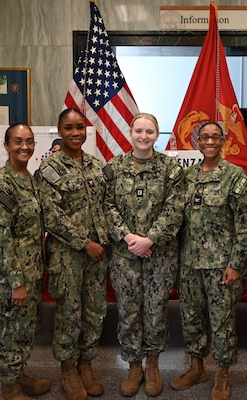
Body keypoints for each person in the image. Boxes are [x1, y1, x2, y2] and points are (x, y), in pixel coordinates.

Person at [170, 121, 247, 400]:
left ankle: (222, 373)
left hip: (221, 265)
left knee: (221, 321)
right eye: (204, 137)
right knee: (191, 318)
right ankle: (196, 367)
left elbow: (246, 225)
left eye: (214, 137)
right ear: (196, 140)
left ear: (223, 140)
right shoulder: (187, 176)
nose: (209, 142)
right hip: (189, 263)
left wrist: (235, 264)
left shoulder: (234, 176)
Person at [103, 112, 184, 397]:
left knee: (156, 310)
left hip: (159, 254)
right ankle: (133, 364)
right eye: (139, 130)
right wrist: (129, 238)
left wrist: (149, 239)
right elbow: (107, 207)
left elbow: (175, 209)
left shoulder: (170, 169)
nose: (143, 136)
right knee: (128, 311)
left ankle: (152, 364)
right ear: (130, 132)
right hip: (125, 255)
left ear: (156, 134)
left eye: (149, 131)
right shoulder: (114, 167)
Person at [36, 108, 110, 400]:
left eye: (80, 127)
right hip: (67, 256)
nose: (75, 133)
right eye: (69, 128)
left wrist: (103, 243)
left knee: (94, 312)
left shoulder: (95, 165)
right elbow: (51, 216)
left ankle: (86, 364)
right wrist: (85, 243)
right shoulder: (49, 169)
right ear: (59, 130)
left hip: (96, 256)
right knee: (69, 314)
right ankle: (68, 369)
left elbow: (104, 206)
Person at [0, 123, 51, 400]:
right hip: (15, 276)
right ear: (7, 146)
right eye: (18, 141)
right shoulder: (2, 184)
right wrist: (16, 283)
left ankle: (19, 375)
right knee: (12, 331)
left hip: (32, 269)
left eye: (29, 141)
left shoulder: (29, 179)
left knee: (26, 328)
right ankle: (9, 389)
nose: (25, 146)